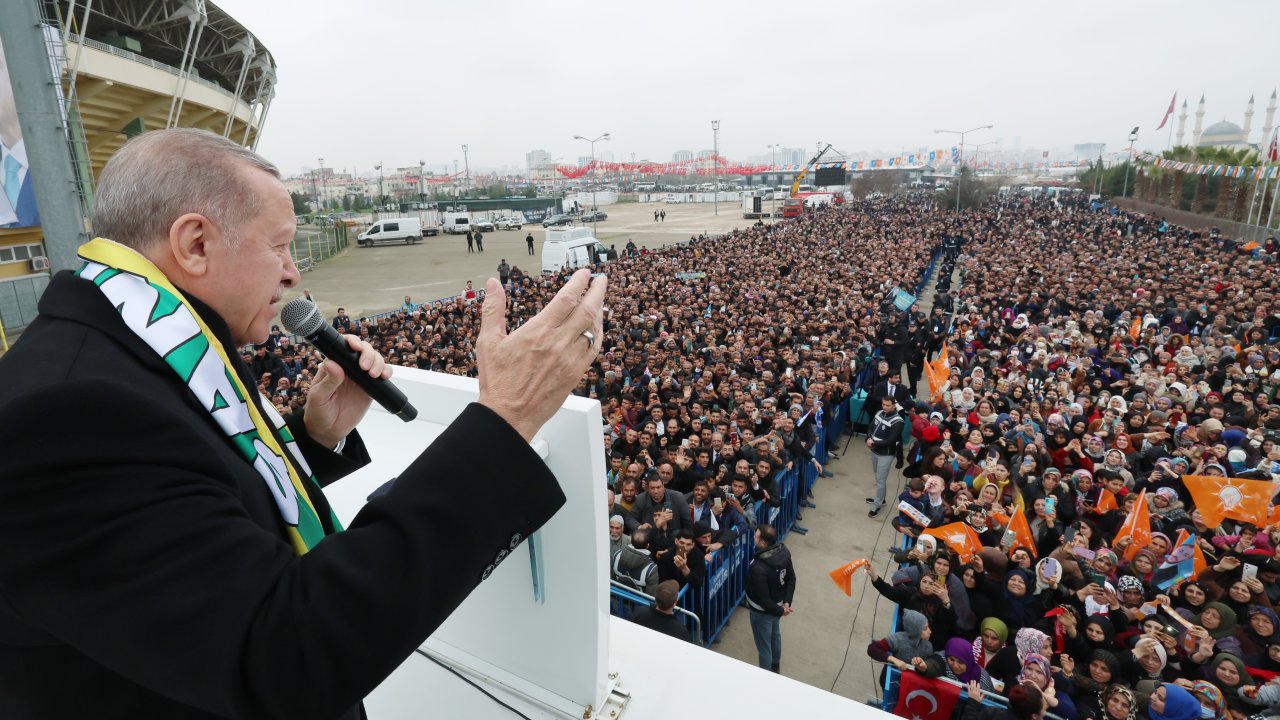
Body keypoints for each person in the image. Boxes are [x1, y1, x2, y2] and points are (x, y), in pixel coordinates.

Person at [0, 128, 608, 718]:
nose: (294, 274)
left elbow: (189, 509)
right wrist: (507, 417)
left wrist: (312, 439)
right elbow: (283, 656)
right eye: (280, 244)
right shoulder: (72, 415)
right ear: (195, 244)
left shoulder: (136, 342)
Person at [745, 524, 795, 672]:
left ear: (763, 543)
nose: (753, 537)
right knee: (775, 635)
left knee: (764, 647)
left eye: (756, 536)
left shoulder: (758, 567)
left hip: (761, 613)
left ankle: (766, 676)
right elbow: (791, 579)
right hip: (778, 604)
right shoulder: (784, 552)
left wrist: (781, 611)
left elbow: (763, 600)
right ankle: (775, 666)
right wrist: (785, 603)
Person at [867, 396, 904, 517]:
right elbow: (871, 427)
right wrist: (868, 438)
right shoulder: (879, 413)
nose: (885, 407)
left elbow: (891, 440)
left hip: (885, 454)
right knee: (878, 477)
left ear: (894, 405)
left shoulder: (898, 421)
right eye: (883, 404)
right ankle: (881, 498)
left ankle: (877, 505)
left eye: (888, 405)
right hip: (874, 451)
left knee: (880, 480)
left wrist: (873, 443)